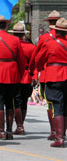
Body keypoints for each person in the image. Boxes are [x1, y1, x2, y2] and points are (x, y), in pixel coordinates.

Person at [0, 15, 25, 140]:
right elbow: (21, 61)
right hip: (12, 73)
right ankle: (9, 131)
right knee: (10, 103)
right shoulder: (15, 40)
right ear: (6, 26)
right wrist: (18, 74)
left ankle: (1, 131)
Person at [29, 10, 61, 140]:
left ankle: (54, 130)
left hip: (49, 74)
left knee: (50, 103)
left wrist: (33, 71)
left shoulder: (44, 38)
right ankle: (61, 131)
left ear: (49, 23)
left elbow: (36, 58)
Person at [35, 17, 67, 148]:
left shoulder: (49, 42)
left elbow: (39, 60)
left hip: (54, 75)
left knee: (57, 106)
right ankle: (63, 134)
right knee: (65, 106)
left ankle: (59, 138)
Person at [8, 22, 35, 134]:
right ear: (23, 35)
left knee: (16, 102)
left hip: (15, 75)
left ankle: (19, 126)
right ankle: (21, 124)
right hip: (26, 76)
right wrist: (32, 74)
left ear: (14, 34)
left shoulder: (10, 45)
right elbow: (34, 63)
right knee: (23, 102)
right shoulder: (31, 47)